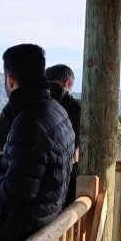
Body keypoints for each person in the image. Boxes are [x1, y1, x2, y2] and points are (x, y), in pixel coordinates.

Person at [0, 44, 75, 241]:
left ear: (10, 79)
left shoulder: (28, 121)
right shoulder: (56, 110)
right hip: (41, 225)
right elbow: (34, 168)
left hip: (16, 234)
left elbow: (17, 191)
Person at [45, 64, 81, 203]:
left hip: (33, 179)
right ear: (67, 82)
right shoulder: (77, 108)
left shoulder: (34, 103)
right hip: (65, 176)